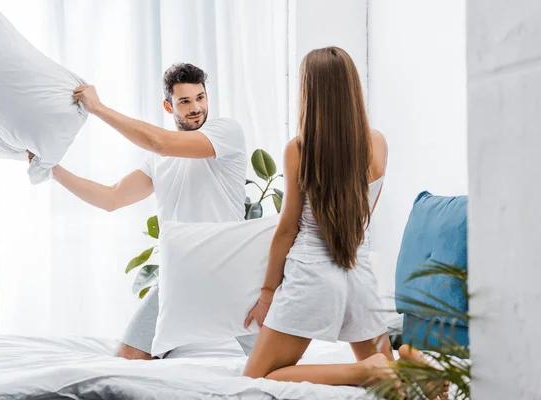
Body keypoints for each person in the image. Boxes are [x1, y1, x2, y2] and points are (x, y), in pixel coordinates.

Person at [242, 47, 448, 399]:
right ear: (352, 89)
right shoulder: (377, 144)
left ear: (309, 92)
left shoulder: (299, 149)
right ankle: (409, 364)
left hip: (312, 278)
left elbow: (288, 229)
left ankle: (363, 371)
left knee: (258, 376)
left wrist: (267, 293)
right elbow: (362, 220)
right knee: (392, 381)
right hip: (359, 277)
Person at [29, 63, 255, 360]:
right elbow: (112, 198)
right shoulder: (158, 160)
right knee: (128, 357)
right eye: (185, 101)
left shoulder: (225, 133)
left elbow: (161, 142)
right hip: (183, 277)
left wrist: (98, 108)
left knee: (272, 366)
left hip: (231, 272)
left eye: (201, 98)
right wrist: (53, 170)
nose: (196, 108)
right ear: (168, 105)